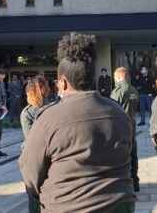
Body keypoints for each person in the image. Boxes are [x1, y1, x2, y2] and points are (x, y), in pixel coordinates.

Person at [19, 32, 135, 212]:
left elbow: (30, 174)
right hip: (120, 203)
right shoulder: (119, 112)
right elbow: (129, 155)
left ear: (62, 83)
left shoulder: (48, 119)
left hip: (69, 205)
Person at [20, 76, 54, 213]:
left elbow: (30, 141)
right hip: (48, 158)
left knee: (34, 196)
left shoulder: (27, 113)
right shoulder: (53, 108)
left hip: (35, 160)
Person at [110, 67, 140, 192]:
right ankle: (135, 182)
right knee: (133, 155)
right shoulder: (133, 90)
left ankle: (125, 183)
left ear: (118, 77)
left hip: (121, 128)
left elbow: (113, 109)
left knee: (122, 156)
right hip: (132, 125)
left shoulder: (117, 92)